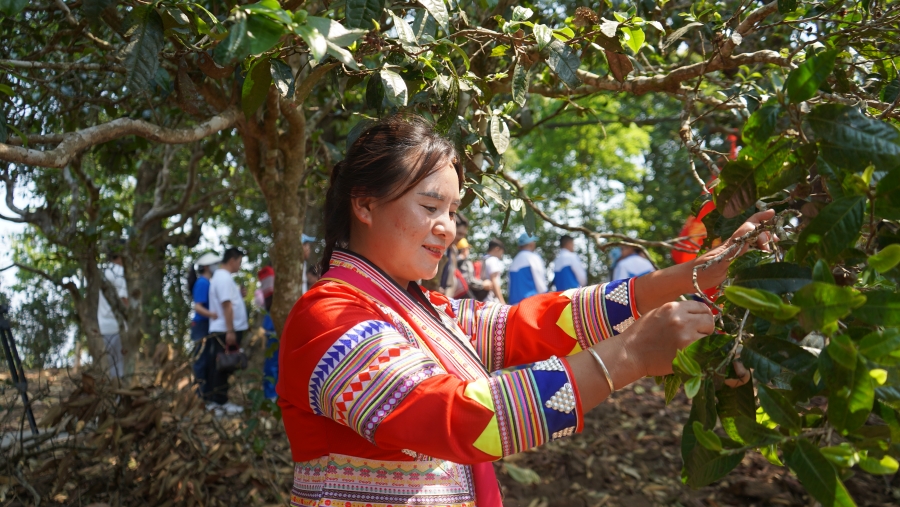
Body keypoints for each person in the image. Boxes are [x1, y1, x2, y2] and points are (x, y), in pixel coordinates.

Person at [277, 114, 774, 507]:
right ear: (365, 205)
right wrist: (631, 356)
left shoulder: (425, 309)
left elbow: (529, 325)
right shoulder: (328, 318)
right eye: (430, 208)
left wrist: (695, 275)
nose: (447, 227)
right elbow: (461, 419)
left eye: (452, 211)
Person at [204, 246, 248, 415]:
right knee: (222, 367)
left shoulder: (222, 277)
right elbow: (226, 305)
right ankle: (219, 402)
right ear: (232, 260)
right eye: (239, 262)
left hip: (225, 329)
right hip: (225, 330)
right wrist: (230, 331)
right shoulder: (223, 278)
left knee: (222, 366)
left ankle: (217, 400)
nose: (240, 265)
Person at [188, 252, 221, 397]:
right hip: (201, 326)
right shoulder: (202, 283)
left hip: (205, 326)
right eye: (215, 264)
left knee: (207, 360)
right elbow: (198, 307)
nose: (217, 266)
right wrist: (213, 314)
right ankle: (198, 395)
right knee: (200, 361)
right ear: (207, 267)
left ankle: (205, 394)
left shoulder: (208, 282)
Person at [97, 251, 128, 379]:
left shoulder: (103, 272)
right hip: (118, 327)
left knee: (108, 367)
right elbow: (124, 300)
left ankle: (110, 389)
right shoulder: (120, 272)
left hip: (103, 325)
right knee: (120, 367)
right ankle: (120, 390)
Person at [256, 265, 278, 400]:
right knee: (272, 362)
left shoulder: (267, 274)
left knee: (274, 361)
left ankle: (273, 394)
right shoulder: (270, 273)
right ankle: (270, 395)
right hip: (273, 324)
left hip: (271, 323)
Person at [508, 232, 548, 304]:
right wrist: (546, 297)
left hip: (515, 305)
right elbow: (540, 282)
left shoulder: (514, 261)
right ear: (531, 244)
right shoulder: (533, 257)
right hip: (531, 303)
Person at [480, 238, 506, 304]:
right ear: (497, 249)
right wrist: (502, 301)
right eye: (502, 252)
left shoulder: (483, 259)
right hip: (491, 300)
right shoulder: (493, 260)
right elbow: (494, 281)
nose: (501, 255)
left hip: (481, 298)